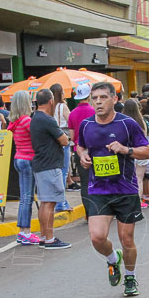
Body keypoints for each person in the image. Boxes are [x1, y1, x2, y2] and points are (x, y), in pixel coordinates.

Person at [75, 82, 149, 297]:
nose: (98, 102)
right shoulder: (86, 125)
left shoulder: (127, 124)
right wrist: (82, 155)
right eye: (95, 98)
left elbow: (148, 152)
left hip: (125, 189)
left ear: (114, 99)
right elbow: (79, 145)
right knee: (97, 237)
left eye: (103, 97)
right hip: (99, 189)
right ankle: (113, 259)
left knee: (127, 239)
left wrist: (125, 149)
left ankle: (130, 276)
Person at [31, 89, 71, 249]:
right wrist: (66, 138)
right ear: (50, 101)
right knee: (50, 202)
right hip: (49, 165)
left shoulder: (35, 118)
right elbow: (63, 140)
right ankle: (49, 238)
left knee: (45, 202)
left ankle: (43, 236)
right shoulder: (47, 120)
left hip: (41, 164)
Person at [8, 91, 40, 245]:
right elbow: (36, 139)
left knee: (23, 197)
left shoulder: (14, 122)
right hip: (28, 160)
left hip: (19, 159)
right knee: (27, 198)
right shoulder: (27, 121)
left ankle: (23, 231)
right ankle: (25, 232)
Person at [68, 83, 96, 218]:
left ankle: (88, 213)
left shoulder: (72, 113)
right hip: (96, 150)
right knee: (98, 181)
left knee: (85, 183)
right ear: (89, 95)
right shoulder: (94, 111)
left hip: (80, 152)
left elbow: (73, 137)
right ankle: (99, 212)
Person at [50, 84, 72, 211]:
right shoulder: (62, 106)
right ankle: (61, 202)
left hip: (52, 142)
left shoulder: (49, 107)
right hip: (63, 140)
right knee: (63, 172)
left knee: (56, 172)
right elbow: (70, 120)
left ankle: (58, 200)